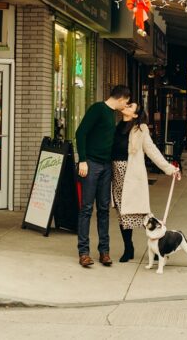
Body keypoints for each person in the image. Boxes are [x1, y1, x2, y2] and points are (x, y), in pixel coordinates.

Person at [112, 102, 180, 262]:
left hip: (132, 176)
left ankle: (160, 246)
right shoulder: (116, 127)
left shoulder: (140, 130)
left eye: (130, 106)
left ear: (135, 115)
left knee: (143, 214)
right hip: (117, 175)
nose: (126, 106)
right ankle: (128, 248)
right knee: (123, 214)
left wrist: (169, 169)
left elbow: (152, 151)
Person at [75, 84, 130, 268]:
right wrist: (82, 160)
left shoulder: (112, 114)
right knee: (87, 208)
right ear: (121, 98)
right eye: (126, 102)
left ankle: (104, 252)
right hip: (91, 164)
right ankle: (84, 252)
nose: (126, 106)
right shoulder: (98, 109)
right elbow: (80, 132)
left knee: (104, 209)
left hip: (106, 166)